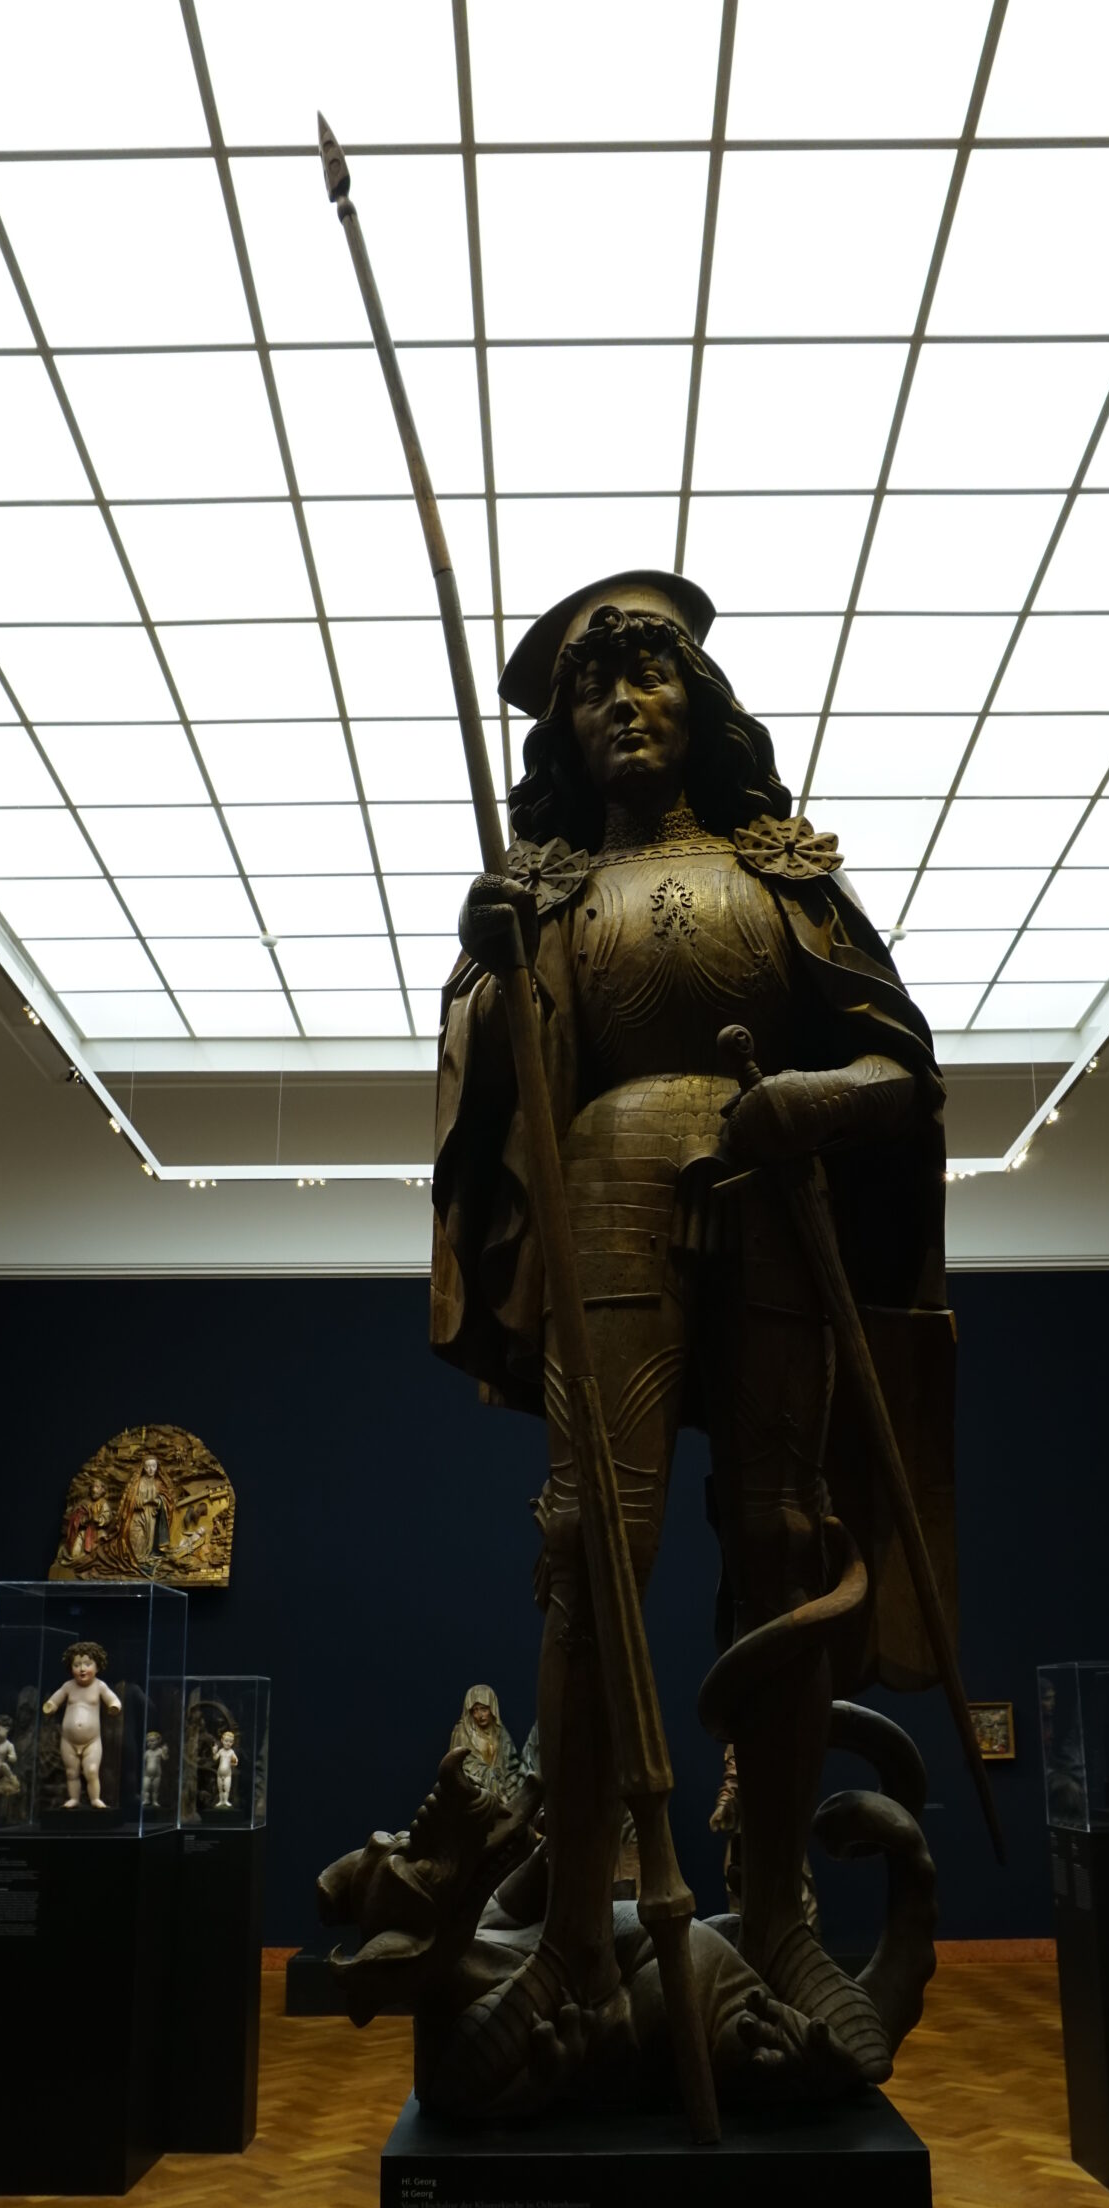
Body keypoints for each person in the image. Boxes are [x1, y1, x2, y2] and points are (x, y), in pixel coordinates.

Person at [430, 572, 953, 2112]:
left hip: (772, 1193)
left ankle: (776, 1910)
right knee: (595, 1537)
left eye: (647, 674)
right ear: (565, 730)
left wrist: (804, 1100)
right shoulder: (544, 892)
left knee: (783, 1535)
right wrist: (485, 968)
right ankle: (570, 1936)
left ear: (699, 701)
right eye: (593, 687)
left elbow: (902, 1070)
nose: (620, 702)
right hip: (601, 1182)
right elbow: (493, 1098)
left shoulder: (783, 876)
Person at [42, 1642, 122, 1811]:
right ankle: (74, 1798)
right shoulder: (68, 1686)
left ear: (97, 1667)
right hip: (68, 1740)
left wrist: (114, 1706)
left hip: (92, 1740)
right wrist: (51, 1706)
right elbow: (55, 1699)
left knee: (91, 1770)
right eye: (77, 1665)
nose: (82, 1669)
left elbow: (113, 1699)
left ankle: (95, 1799)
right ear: (70, 1667)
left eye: (87, 1664)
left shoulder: (99, 1686)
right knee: (71, 1772)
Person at [448, 1683, 521, 1803]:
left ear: (492, 1709)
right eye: (475, 1710)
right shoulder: (461, 1731)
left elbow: (510, 1766)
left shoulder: (501, 1733)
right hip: (473, 1790)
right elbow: (458, 1766)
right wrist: (487, 1775)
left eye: (484, 1709)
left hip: (502, 1791)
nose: (480, 1715)